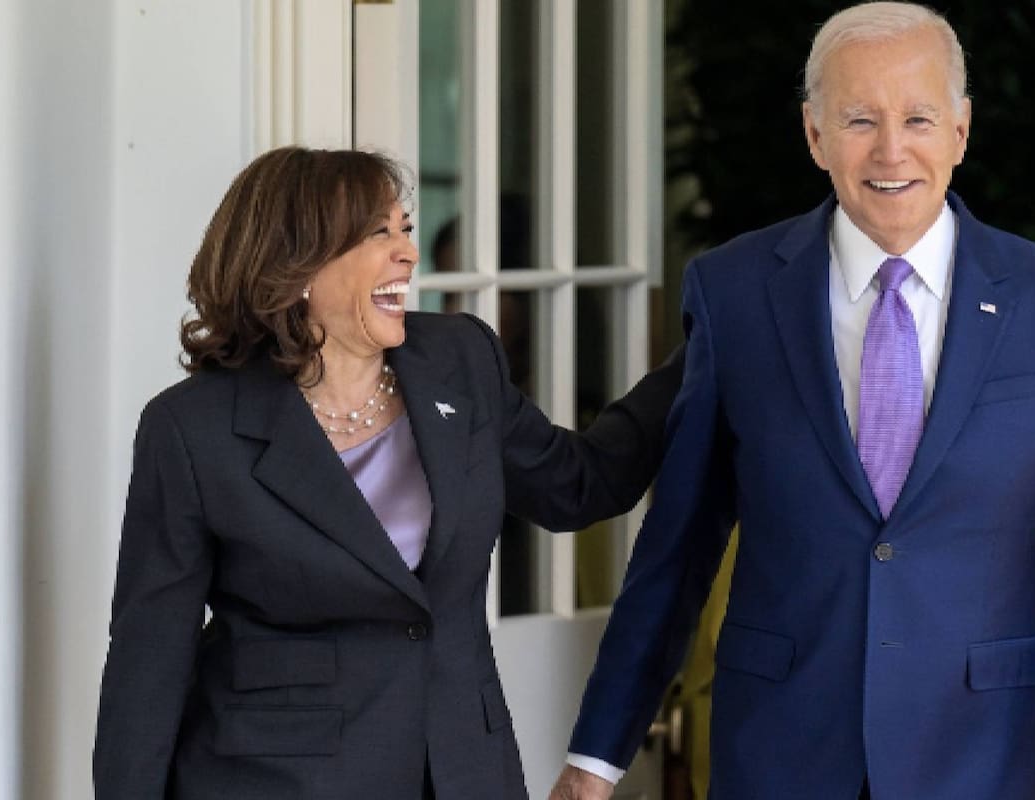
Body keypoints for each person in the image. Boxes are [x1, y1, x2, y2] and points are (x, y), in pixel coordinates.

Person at [550, 3, 1035, 799]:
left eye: (918, 118)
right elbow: (678, 546)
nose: (891, 150)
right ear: (814, 135)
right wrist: (597, 760)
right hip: (782, 756)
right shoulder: (734, 294)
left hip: (990, 762)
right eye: (860, 120)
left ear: (961, 131)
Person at [92, 146, 681, 799]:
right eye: (380, 233)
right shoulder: (192, 429)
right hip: (276, 781)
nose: (408, 252)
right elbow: (150, 657)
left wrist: (713, 346)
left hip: (462, 773)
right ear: (298, 267)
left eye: (405, 229)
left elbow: (579, 484)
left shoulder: (460, 360)